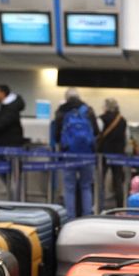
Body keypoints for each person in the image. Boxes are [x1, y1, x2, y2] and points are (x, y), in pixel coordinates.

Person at [54, 88, 100, 219]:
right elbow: (96, 131)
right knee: (86, 186)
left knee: (69, 187)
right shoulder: (88, 110)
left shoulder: (62, 110)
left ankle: (70, 218)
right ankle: (86, 216)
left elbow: (56, 134)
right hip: (87, 154)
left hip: (69, 153)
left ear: (66, 97)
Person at [97, 98, 127, 208]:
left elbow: (97, 135)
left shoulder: (101, 119)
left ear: (106, 107)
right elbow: (126, 137)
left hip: (103, 154)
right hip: (118, 154)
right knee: (118, 181)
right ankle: (120, 206)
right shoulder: (122, 120)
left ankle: (99, 205)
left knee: (100, 181)